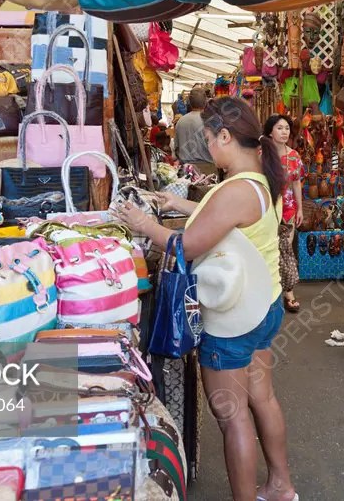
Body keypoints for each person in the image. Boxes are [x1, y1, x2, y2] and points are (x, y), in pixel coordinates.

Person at [116, 97, 297, 501]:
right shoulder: (260, 179)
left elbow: (187, 246)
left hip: (235, 318)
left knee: (232, 418)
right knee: (261, 398)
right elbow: (229, 219)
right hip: (263, 306)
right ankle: (281, 485)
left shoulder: (236, 188)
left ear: (226, 136)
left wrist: (143, 224)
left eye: (210, 139)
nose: (208, 148)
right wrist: (180, 203)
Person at [264, 114, 304, 314]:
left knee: (286, 251)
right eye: (279, 128)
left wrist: (300, 208)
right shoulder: (262, 155)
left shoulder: (294, 156)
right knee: (269, 251)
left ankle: (288, 292)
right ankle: (269, 293)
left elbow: (296, 183)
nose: (284, 132)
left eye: (287, 128)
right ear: (270, 131)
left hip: (288, 209)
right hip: (267, 208)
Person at [175, 88, 217, 177]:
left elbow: (177, 148)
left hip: (186, 170)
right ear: (205, 102)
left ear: (189, 102)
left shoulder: (180, 121)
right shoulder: (209, 121)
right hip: (208, 170)